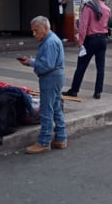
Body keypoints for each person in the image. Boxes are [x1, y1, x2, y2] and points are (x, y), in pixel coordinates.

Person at [17, 16, 67, 154]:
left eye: (36, 30)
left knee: (46, 110)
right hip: (56, 76)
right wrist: (32, 61)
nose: (34, 34)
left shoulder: (49, 42)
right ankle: (61, 138)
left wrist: (31, 62)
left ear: (45, 28)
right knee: (56, 107)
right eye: (32, 31)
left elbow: (47, 65)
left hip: (50, 78)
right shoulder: (51, 39)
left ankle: (44, 141)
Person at [63, 0, 111, 99]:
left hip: (90, 40)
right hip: (103, 39)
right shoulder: (108, 9)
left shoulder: (89, 7)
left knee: (81, 65)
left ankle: (74, 90)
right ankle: (98, 92)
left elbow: (83, 26)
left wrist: (80, 41)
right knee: (101, 67)